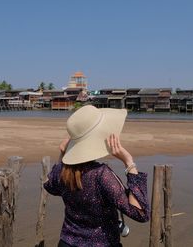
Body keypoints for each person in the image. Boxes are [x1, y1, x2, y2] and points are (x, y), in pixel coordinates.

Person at [44, 105, 150, 247]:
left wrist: (63, 155)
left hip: (67, 242)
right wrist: (129, 162)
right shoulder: (101, 175)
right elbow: (140, 213)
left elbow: (50, 185)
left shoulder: (62, 171)